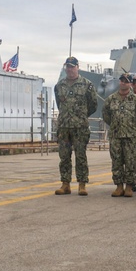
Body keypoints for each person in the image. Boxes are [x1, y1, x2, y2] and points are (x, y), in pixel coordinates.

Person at [53, 56, 98, 196]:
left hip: (80, 127)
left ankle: (82, 184)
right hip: (64, 127)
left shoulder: (87, 84)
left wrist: (81, 116)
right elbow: (59, 104)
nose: (70, 69)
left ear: (77, 67)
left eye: (72, 66)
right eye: (68, 66)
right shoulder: (59, 86)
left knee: (81, 156)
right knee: (64, 157)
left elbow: (93, 105)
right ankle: (65, 184)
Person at [101, 73, 136, 197]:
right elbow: (106, 115)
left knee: (130, 162)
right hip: (116, 135)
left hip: (131, 136)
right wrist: (115, 125)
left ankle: (129, 186)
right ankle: (119, 186)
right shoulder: (110, 99)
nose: (123, 83)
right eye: (122, 80)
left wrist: (132, 127)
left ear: (130, 84)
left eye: (126, 81)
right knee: (116, 161)